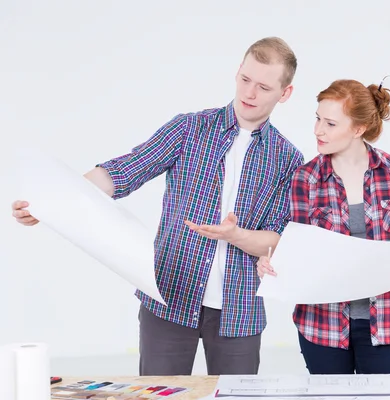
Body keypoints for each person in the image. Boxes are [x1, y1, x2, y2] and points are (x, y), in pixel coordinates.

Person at [11, 37, 305, 376]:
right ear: (237, 71)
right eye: (245, 79)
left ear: (284, 93)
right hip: (169, 295)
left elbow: (277, 239)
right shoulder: (189, 129)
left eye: (264, 87)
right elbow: (123, 171)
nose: (249, 93)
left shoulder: (288, 159)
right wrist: (51, 203)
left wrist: (236, 235)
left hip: (239, 311)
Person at [256, 78, 390, 374]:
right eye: (318, 119)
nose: (318, 130)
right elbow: (298, 249)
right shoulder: (305, 179)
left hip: (384, 321)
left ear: (358, 129)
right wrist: (271, 263)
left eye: (330, 124)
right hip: (323, 325)